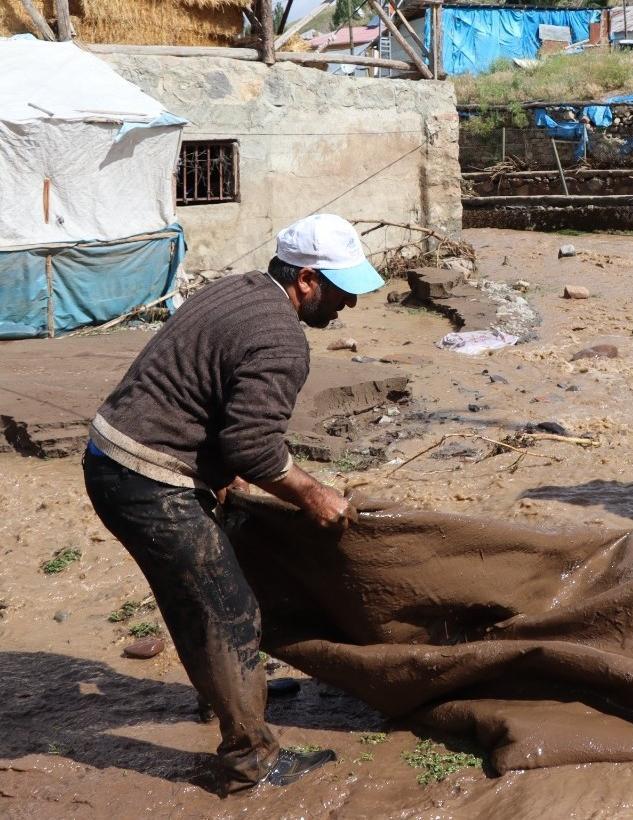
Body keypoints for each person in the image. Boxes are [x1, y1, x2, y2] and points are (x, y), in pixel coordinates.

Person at [82, 214, 385, 795]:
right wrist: (314, 494)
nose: (349, 304)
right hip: (145, 477)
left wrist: (220, 476)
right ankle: (252, 761)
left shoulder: (239, 288)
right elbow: (253, 444)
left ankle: (230, 695)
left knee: (208, 587)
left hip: (119, 453)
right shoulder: (281, 338)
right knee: (228, 609)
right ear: (305, 281)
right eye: (342, 289)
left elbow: (206, 394)